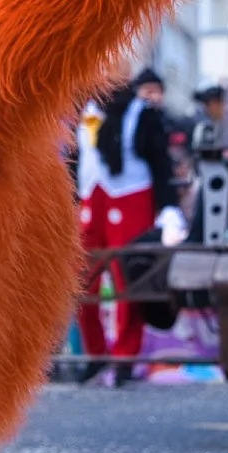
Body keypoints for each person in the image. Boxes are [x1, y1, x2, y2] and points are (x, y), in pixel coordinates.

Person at [75, 71, 180, 379]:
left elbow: (162, 165)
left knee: (128, 282)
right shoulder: (87, 112)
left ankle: (124, 356)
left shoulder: (142, 114)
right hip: (91, 203)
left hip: (132, 200)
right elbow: (77, 163)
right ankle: (94, 353)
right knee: (83, 282)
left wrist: (169, 207)